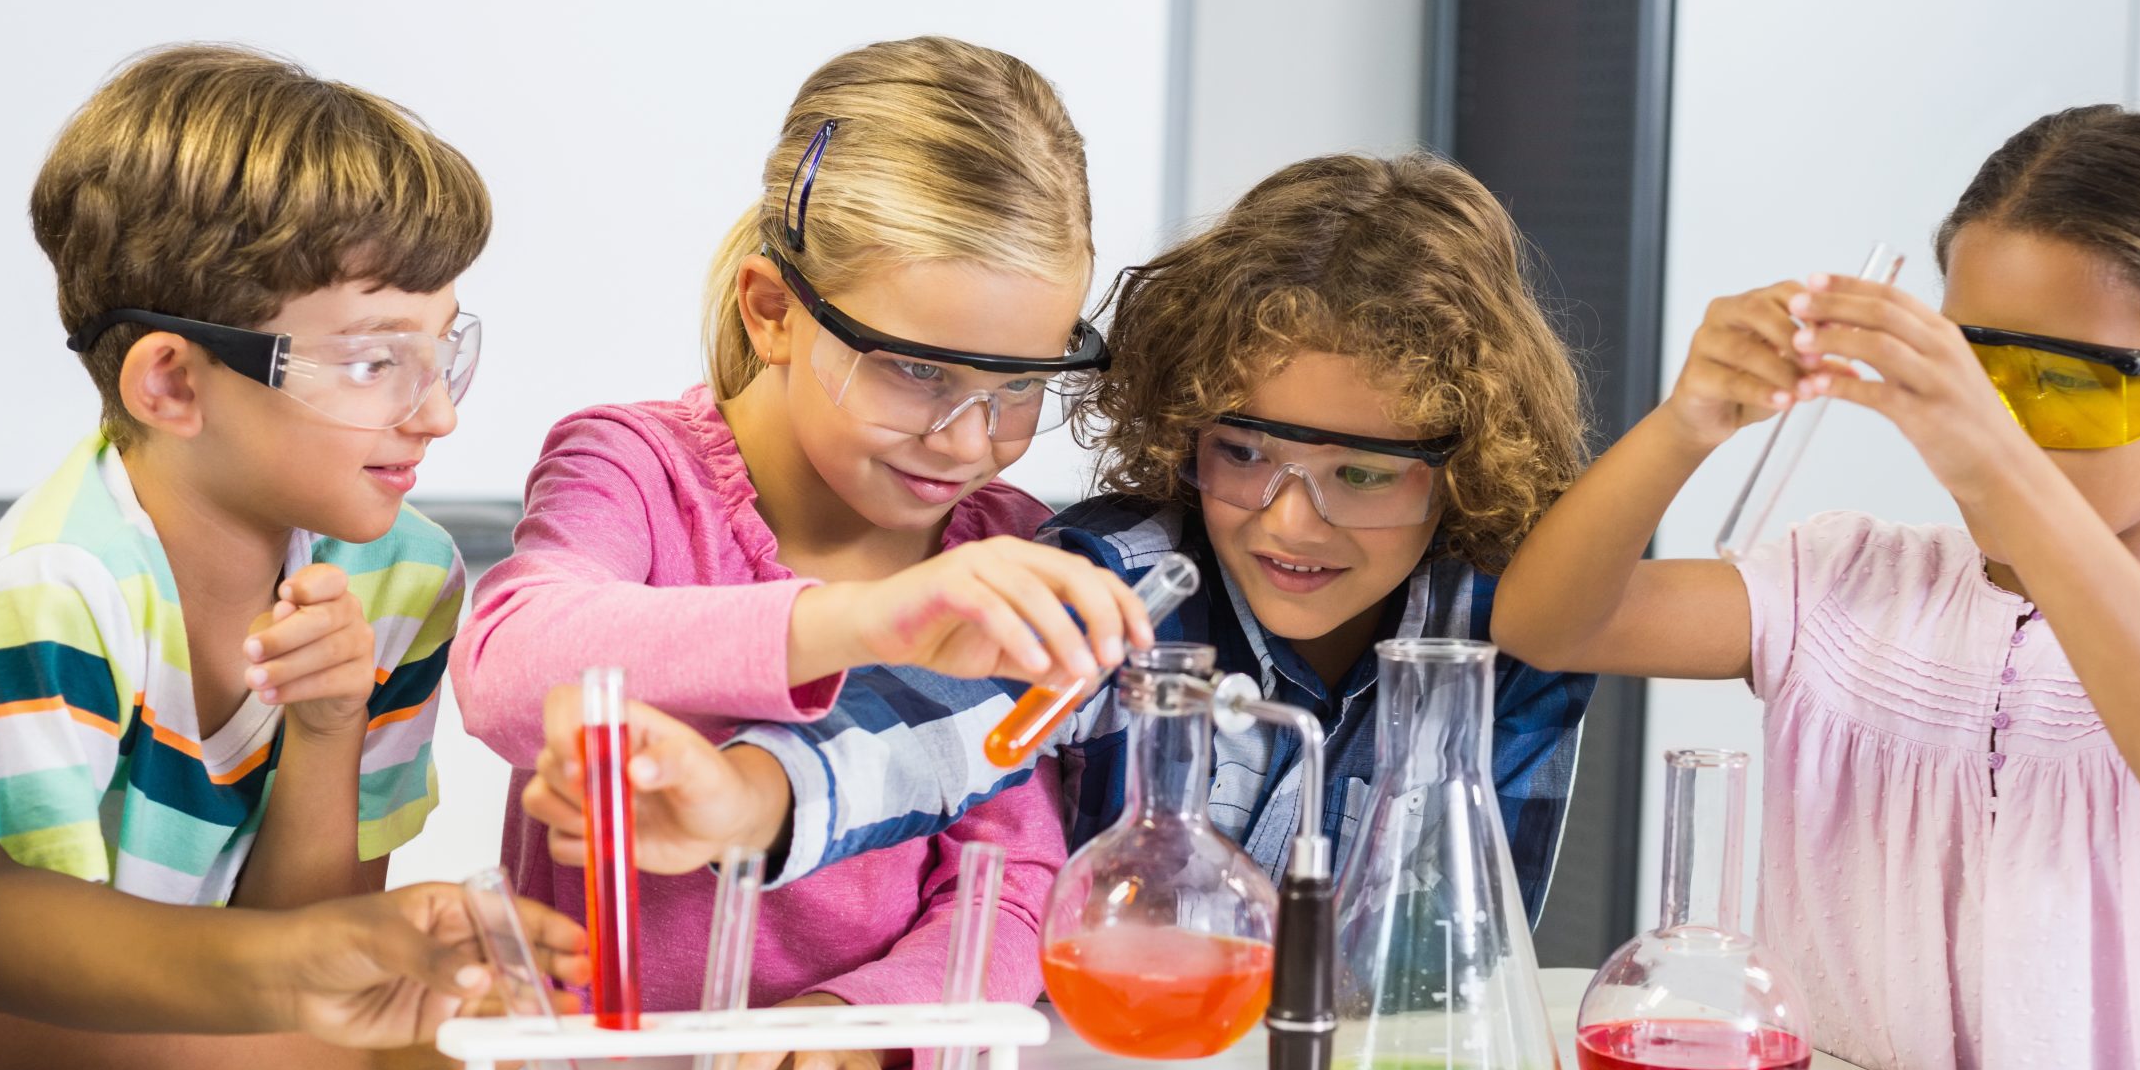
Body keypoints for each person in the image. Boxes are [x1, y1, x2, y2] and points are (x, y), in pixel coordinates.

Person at [1490, 106, 2140, 1070]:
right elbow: (1545, 624)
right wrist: (1688, 419)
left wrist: (1990, 461)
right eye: (1976, 369)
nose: (2004, 424)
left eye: (2066, 383)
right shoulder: (1844, 581)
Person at [524, 152, 1597, 938]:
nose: (1287, 520)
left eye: (1358, 472)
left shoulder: (1509, 629)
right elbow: (929, 729)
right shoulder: (1124, 578)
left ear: (1462, 465)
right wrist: (746, 802)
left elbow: (1454, 961)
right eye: (1240, 451)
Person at [450, 38, 1146, 1070]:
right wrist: (867, 619)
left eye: (1020, 387)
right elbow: (504, 673)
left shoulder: (1002, 543)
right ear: (772, 309)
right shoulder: (633, 470)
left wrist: (871, 1019)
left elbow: (1012, 877)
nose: (971, 439)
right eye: (917, 369)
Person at [0, 45, 486, 1070]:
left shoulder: (402, 575)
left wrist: (327, 725)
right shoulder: (51, 599)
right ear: (172, 381)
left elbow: (306, 964)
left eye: (445, 351)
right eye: (371, 361)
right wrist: (374, 1058)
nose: (437, 411)